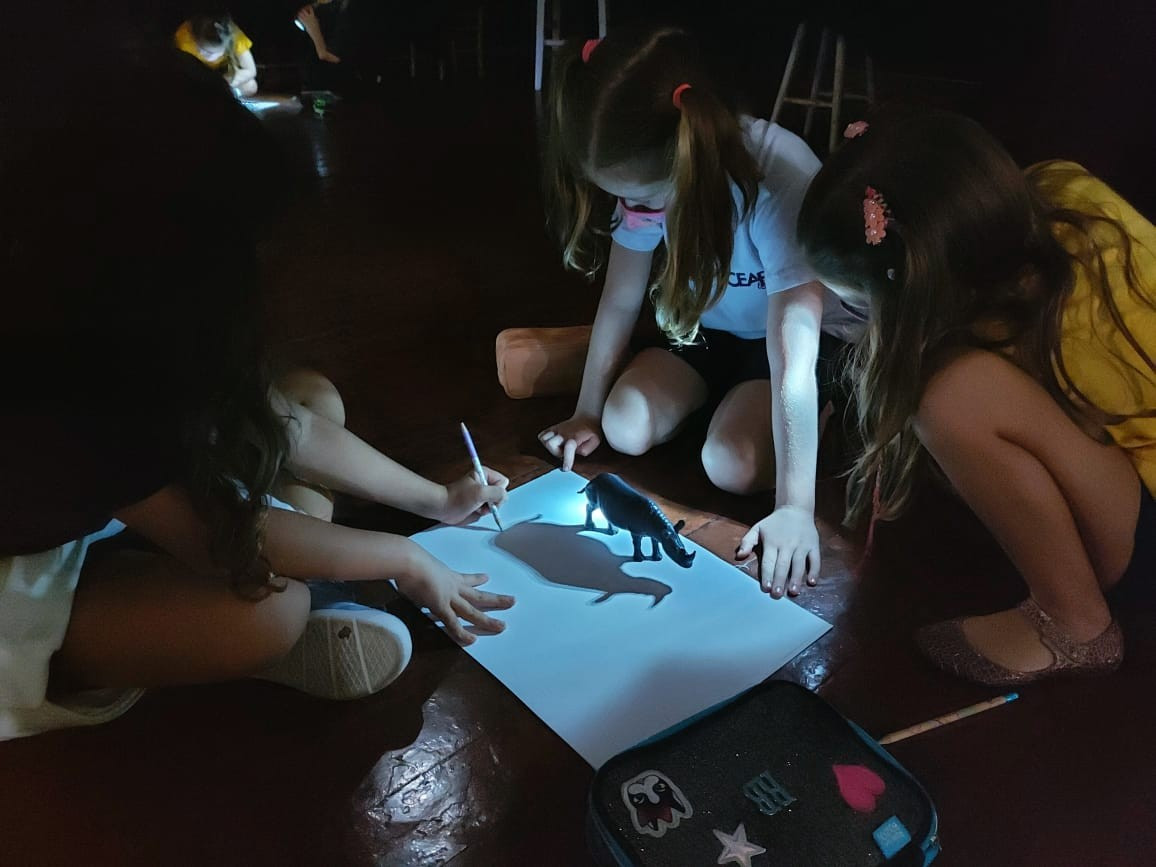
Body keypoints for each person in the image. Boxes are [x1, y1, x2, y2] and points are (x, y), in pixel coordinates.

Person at [0, 18, 512, 740]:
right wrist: (401, 556)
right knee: (270, 612)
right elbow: (220, 537)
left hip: (118, 503)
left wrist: (438, 499)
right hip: (21, 578)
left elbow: (284, 420)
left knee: (309, 395)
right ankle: (242, 639)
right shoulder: (61, 379)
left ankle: (256, 588)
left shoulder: (116, 311)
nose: (261, 276)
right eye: (241, 255)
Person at [797, 110, 1156, 686]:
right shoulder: (1059, 188)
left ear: (915, 282)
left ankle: (1076, 625)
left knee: (950, 398)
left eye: (860, 306)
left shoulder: (1016, 322)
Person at [538, 27, 865, 600]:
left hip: (798, 339)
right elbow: (620, 299)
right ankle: (725, 406)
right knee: (622, 427)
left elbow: (792, 355)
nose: (631, 209)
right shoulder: (646, 175)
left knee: (732, 467)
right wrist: (585, 411)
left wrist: (795, 507)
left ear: (684, 160)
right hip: (708, 329)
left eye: (643, 199)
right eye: (621, 197)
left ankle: (821, 411)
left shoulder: (777, 176)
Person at [175, 13, 259, 97]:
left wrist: (226, 82)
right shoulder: (184, 40)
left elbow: (251, 70)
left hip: (224, 73)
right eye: (200, 48)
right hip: (198, 75)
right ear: (194, 38)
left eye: (211, 53)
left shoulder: (235, 37)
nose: (202, 54)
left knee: (251, 86)